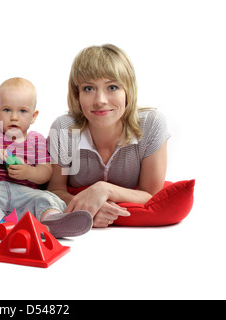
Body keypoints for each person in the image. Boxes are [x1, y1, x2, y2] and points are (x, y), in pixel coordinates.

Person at [0, 77, 92, 242]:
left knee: (46, 199)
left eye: (22, 111)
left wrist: (28, 171)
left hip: (25, 192)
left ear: (33, 116)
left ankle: (52, 220)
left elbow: (46, 172)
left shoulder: (36, 140)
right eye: (7, 110)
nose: (14, 117)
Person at [47, 44, 170, 228]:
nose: (100, 101)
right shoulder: (64, 128)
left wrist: (104, 189)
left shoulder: (151, 123)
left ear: (128, 91)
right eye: (89, 89)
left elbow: (151, 195)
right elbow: (55, 190)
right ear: (77, 95)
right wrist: (88, 210)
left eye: (112, 87)